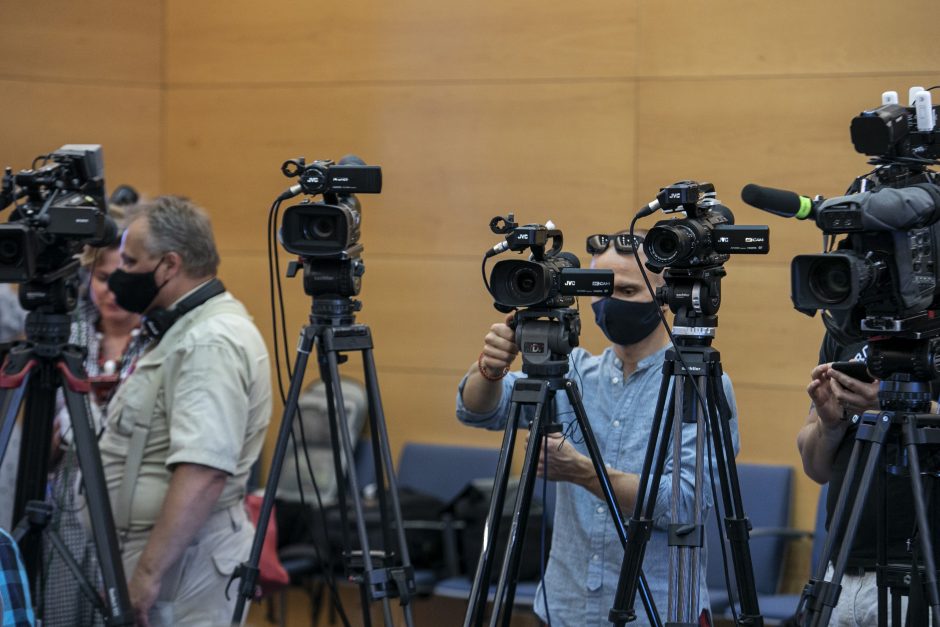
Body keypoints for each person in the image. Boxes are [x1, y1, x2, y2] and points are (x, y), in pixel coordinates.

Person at [456, 231, 740, 626]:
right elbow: (479, 410)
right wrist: (489, 368)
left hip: (656, 610)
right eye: (600, 290)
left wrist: (584, 472)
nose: (611, 303)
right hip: (564, 607)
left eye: (627, 290)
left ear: (664, 295)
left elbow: (685, 504)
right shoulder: (572, 371)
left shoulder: (695, 382)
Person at [97, 195, 272, 625]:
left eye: (131, 261)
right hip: (171, 555)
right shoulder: (186, 329)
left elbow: (203, 470)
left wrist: (146, 575)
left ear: (169, 265)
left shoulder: (209, 341)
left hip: (182, 569)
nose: (121, 275)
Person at [797, 322, 940, 626]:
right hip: (839, 576)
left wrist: (907, 404)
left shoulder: (931, 327)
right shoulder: (849, 324)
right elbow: (816, 468)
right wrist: (830, 424)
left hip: (921, 579)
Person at [44, 203, 144, 627]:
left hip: (130, 508)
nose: (110, 290)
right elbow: (44, 446)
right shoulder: (70, 337)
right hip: (67, 500)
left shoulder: (159, 341)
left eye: (122, 278)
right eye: (102, 278)